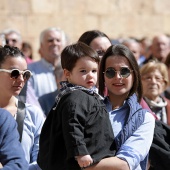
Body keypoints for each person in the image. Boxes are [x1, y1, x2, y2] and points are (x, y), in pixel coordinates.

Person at [37, 42, 116, 170]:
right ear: (67, 73)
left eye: (94, 70)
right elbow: (72, 124)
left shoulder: (89, 95)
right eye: (83, 71)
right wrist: (80, 152)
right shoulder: (75, 96)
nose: (90, 75)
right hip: (79, 163)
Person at [86, 44, 155, 170]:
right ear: (103, 76)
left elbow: (124, 164)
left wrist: (76, 165)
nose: (118, 77)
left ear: (134, 74)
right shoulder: (88, 109)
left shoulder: (144, 118)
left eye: (124, 71)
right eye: (110, 72)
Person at [0, 45, 45, 170]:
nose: (21, 79)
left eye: (25, 74)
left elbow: (40, 160)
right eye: (14, 73)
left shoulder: (33, 114)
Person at [28, 27, 67, 98]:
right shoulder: (30, 70)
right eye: (50, 40)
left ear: (63, 45)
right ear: (41, 45)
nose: (54, 43)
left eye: (58, 40)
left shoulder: (70, 69)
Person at [140, 60, 170, 125]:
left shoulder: (168, 105)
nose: (153, 82)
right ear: (140, 82)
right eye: (148, 78)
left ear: (164, 83)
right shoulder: (134, 105)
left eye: (157, 78)